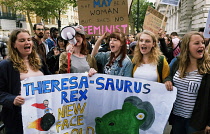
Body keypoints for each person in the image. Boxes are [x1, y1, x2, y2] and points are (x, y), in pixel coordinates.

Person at [0, 29, 50, 134]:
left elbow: (51, 81)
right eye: (22, 40)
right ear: (14, 44)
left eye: (29, 39)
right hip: (18, 119)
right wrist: (12, 99)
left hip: (41, 113)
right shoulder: (5, 65)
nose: (27, 42)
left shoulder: (39, 61)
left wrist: (87, 76)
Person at [164, 31, 210, 134]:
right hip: (177, 118)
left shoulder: (208, 68)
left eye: (202, 42)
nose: (201, 45)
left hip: (196, 122)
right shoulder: (177, 62)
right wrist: (168, 80)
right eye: (196, 43)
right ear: (186, 46)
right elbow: (168, 75)